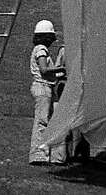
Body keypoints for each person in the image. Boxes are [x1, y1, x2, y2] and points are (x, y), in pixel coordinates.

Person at [29, 19, 67, 165]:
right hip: (43, 87)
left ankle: (42, 154)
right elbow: (44, 70)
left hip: (43, 86)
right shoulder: (41, 50)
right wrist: (61, 69)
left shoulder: (38, 48)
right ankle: (38, 156)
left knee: (43, 120)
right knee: (42, 122)